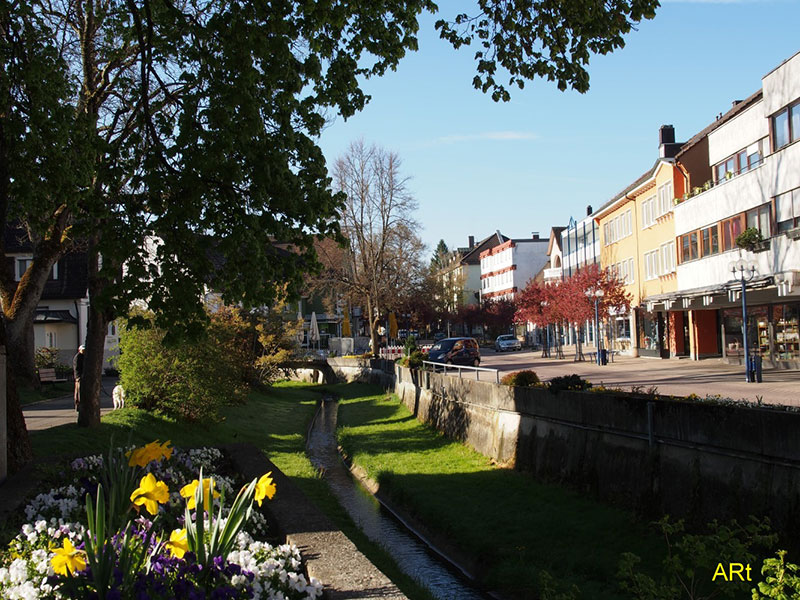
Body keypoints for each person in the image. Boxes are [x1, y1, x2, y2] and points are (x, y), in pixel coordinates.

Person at [73, 344, 85, 412]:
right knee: (78, 392)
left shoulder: (85, 357)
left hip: (84, 376)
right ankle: (78, 405)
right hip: (79, 377)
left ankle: (82, 405)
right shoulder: (77, 357)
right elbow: (76, 368)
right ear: (79, 350)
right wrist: (78, 377)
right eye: (83, 350)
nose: (84, 351)